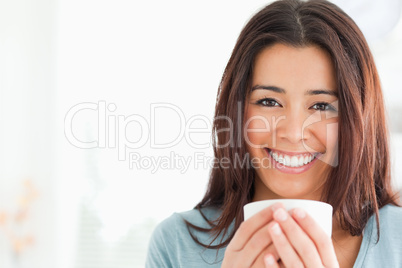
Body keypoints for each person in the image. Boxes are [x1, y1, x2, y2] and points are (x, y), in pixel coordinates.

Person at [145, 0, 402, 267]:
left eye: (321, 106)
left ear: (358, 118)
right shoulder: (176, 245)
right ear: (236, 111)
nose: (292, 133)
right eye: (269, 102)